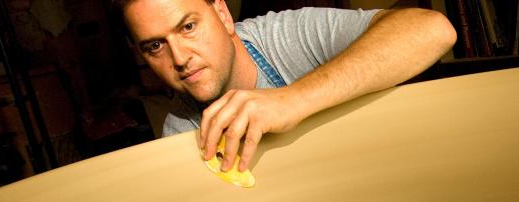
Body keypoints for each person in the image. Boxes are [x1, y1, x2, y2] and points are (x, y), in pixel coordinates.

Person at [113, 0, 456, 173]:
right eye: (155, 46)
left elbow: (432, 30)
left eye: (188, 27)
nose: (180, 58)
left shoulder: (284, 37)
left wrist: (293, 100)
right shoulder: (180, 132)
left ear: (222, 14)